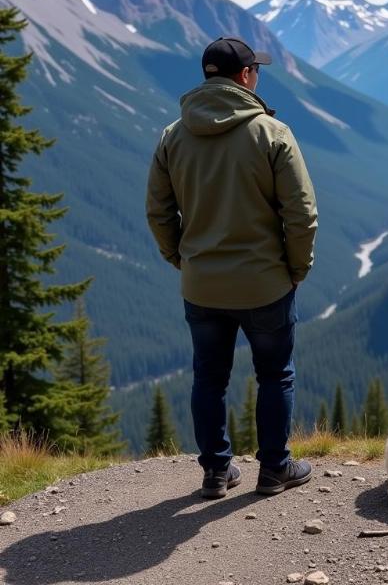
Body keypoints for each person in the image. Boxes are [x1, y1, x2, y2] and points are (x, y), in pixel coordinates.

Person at [146, 36, 318, 499]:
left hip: (201, 286)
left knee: (209, 378)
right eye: (255, 70)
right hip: (265, 284)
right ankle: (275, 469)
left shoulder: (173, 135)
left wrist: (182, 260)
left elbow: (159, 213)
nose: (257, 75)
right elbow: (301, 214)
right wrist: (296, 268)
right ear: (245, 77)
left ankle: (216, 473)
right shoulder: (271, 134)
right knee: (275, 373)